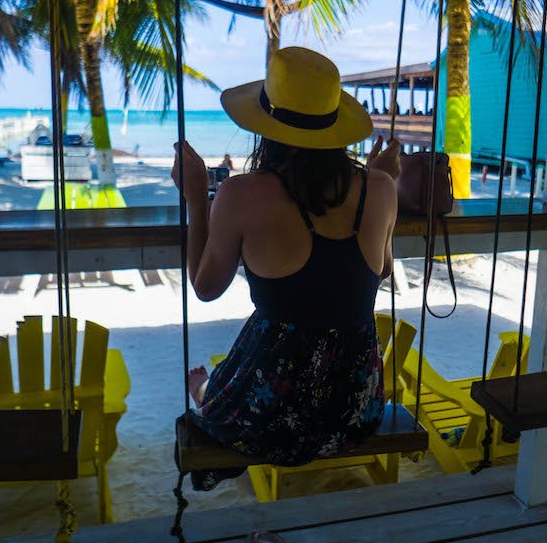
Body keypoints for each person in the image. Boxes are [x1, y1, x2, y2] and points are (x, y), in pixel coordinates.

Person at [171, 46, 401, 491]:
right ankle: (210, 389)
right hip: (355, 405)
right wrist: (378, 182)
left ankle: (206, 392)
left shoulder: (240, 195)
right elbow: (384, 270)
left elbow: (205, 286)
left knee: (218, 397)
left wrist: (197, 199)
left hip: (272, 410)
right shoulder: (381, 187)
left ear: (268, 127)